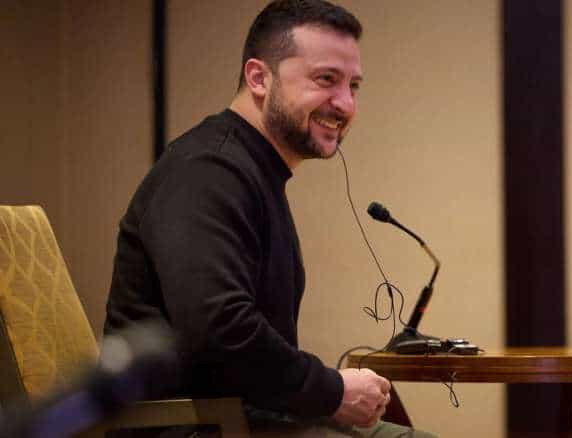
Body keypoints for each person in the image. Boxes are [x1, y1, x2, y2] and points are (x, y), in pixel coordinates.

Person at [103, 1, 434, 437]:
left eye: (353, 85)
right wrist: (332, 391)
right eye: (326, 79)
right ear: (259, 78)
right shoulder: (207, 172)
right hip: (197, 428)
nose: (345, 103)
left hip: (245, 419)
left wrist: (327, 392)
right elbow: (218, 332)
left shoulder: (250, 170)